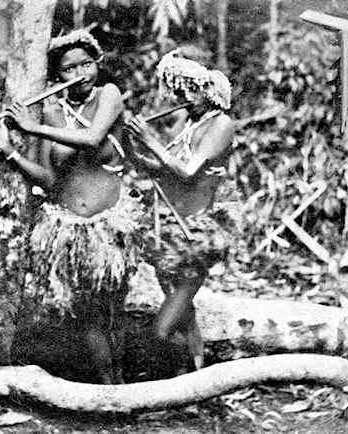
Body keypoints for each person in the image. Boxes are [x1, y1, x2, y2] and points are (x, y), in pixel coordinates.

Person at [0, 29, 142, 384]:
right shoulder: (51, 113)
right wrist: (8, 151)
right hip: (68, 229)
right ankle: (108, 391)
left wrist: (33, 128)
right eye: (70, 69)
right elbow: (48, 179)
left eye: (87, 64)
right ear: (57, 77)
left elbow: (92, 138)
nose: (81, 73)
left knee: (112, 310)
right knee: (87, 315)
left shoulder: (108, 95)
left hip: (109, 226)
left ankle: (120, 384)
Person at [125, 49, 235, 374]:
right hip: (169, 229)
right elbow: (158, 170)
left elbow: (186, 172)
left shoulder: (221, 124)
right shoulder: (188, 123)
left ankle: (173, 381)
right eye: (179, 89)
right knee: (185, 316)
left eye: (191, 88)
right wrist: (131, 146)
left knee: (160, 330)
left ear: (209, 89)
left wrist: (150, 138)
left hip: (196, 237)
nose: (182, 96)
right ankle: (197, 373)